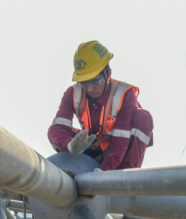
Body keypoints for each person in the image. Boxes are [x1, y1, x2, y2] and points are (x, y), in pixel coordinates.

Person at [48, 41, 154, 172]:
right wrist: (70, 145)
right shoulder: (73, 94)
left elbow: (120, 142)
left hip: (118, 153)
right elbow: (58, 129)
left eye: (94, 81)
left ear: (108, 73)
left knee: (143, 117)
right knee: (53, 131)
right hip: (91, 149)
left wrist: (104, 171)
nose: (90, 88)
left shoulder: (124, 95)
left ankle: (124, 175)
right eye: (84, 82)